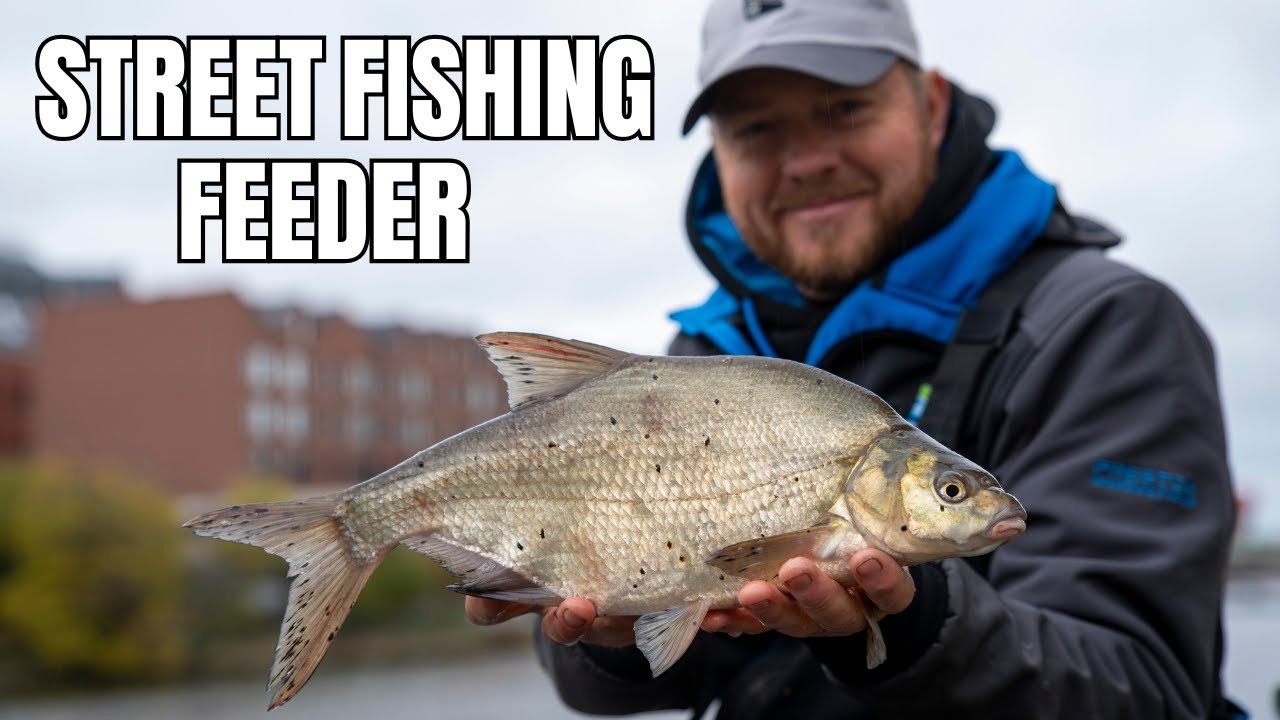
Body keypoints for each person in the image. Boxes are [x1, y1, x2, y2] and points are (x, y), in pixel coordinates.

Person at [467, 0, 1245, 717]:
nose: (805, 161)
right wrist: (609, 632)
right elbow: (603, 676)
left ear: (931, 104)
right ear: (718, 153)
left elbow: (1144, 688)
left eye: (844, 108)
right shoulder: (700, 357)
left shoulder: (1104, 327)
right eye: (757, 131)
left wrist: (919, 623)